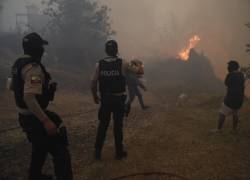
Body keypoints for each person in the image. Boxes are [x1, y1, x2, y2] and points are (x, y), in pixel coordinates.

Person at [11, 32, 73, 180]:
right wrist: (46, 121)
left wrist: (45, 90)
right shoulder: (33, 68)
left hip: (25, 116)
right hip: (34, 118)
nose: (43, 50)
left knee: (40, 147)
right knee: (60, 152)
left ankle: (35, 175)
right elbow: (29, 98)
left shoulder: (18, 64)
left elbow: (14, 87)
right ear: (37, 49)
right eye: (41, 47)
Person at [91, 40, 139, 160]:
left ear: (106, 51)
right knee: (118, 126)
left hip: (105, 100)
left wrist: (95, 96)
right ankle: (119, 152)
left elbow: (93, 82)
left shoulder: (99, 64)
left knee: (103, 125)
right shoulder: (123, 63)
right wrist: (137, 64)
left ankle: (97, 152)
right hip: (118, 100)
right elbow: (139, 71)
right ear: (117, 50)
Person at [211, 60, 245, 133]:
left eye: (229, 66)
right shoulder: (241, 75)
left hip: (230, 99)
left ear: (232, 67)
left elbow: (226, 83)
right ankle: (234, 129)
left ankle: (218, 129)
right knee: (235, 113)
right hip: (239, 99)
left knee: (222, 113)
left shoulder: (230, 75)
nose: (228, 67)